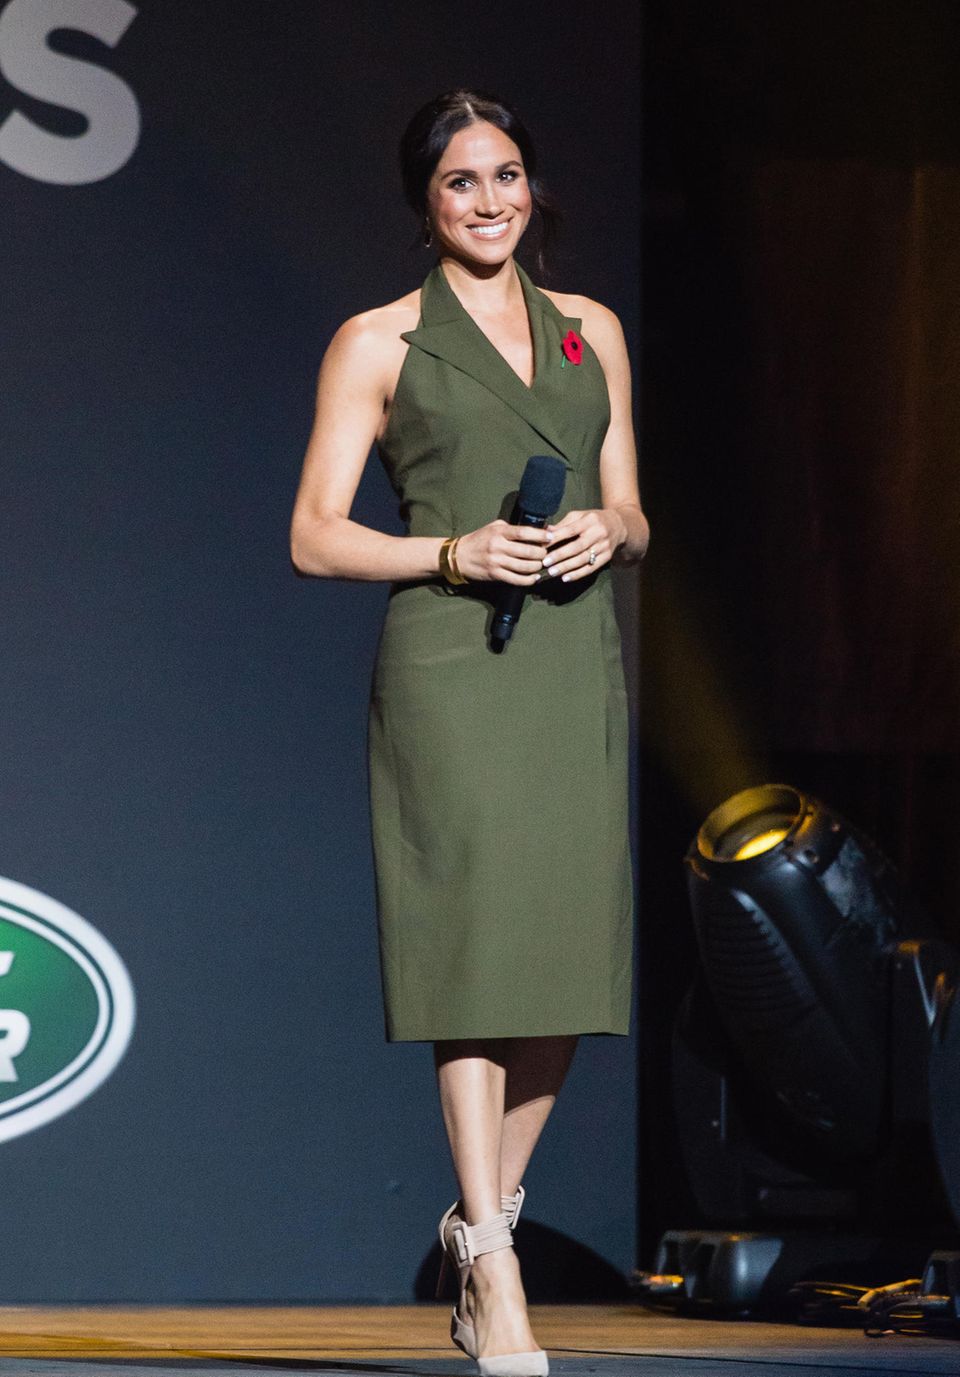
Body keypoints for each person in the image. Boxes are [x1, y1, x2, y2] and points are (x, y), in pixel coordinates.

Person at [290, 89, 649, 1377]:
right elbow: (314, 534)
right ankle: (496, 1271)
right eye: (460, 182)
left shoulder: (592, 330)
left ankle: (474, 1221)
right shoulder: (379, 341)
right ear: (425, 201)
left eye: (506, 176)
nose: (489, 201)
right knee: (474, 961)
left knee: (563, 965)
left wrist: (611, 529)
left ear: (532, 189)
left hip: (571, 660)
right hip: (453, 662)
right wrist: (454, 550)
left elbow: (634, 509)